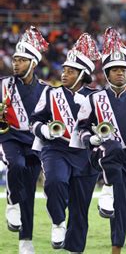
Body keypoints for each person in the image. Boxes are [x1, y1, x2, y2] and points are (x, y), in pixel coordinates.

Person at [70, 27, 126, 254]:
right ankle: (107, 187)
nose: (120, 73)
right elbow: (80, 127)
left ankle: (116, 249)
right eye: (115, 69)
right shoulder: (94, 98)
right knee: (113, 146)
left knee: (122, 206)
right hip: (98, 153)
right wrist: (90, 137)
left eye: (123, 69)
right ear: (107, 74)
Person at [29, 33, 100, 251]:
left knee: (80, 211)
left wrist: (87, 107)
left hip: (85, 155)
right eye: (65, 70)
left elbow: (106, 125)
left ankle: (74, 249)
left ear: (83, 74)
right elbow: (34, 121)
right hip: (56, 149)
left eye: (70, 71)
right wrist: (44, 131)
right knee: (55, 182)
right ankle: (58, 220)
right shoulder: (51, 93)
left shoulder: (97, 96)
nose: (65, 74)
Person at [0, 26, 49, 254]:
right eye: (14, 59)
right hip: (9, 137)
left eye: (21, 60)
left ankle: (25, 241)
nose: (15, 63)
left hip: (34, 142)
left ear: (33, 63)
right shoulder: (3, 85)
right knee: (16, 165)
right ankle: (11, 201)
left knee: (29, 191)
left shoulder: (47, 90)